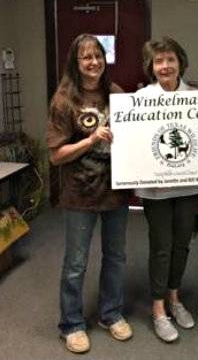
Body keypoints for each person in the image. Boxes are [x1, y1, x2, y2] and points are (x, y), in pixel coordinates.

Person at [47, 34, 133, 354]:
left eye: (97, 55)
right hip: (80, 194)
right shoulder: (64, 100)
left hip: (115, 192)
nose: (93, 62)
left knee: (116, 257)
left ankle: (110, 314)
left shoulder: (117, 95)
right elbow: (56, 155)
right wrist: (91, 139)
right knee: (76, 263)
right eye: (86, 57)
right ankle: (71, 324)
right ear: (76, 62)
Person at [136, 37, 198, 343]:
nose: (165, 66)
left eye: (170, 60)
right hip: (156, 188)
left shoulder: (197, 97)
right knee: (161, 245)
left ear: (180, 62)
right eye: (158, 61)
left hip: (188, 185)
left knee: (182, 244)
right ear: (151, 67)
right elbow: (136, 146)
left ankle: (175, 299)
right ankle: (158, 309)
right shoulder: (141, 98)